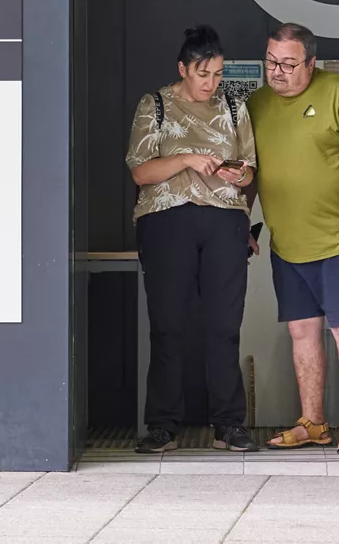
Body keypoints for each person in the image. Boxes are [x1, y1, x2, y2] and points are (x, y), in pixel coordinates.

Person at [246, 23, 339, 454]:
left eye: (288, 64)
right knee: (302, 333)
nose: (277, 72)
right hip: (287, 243)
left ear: (310, 63)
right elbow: (250, 170)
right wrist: (243, 225)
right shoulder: (256, 103)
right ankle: (313, 423)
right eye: (270, 62)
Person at [125, 25, 258, 454]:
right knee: (168, 325)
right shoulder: (156, 105)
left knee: (224, 325)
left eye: (217, 74)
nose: (210, 83)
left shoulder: (235, 105)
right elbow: (140, 172)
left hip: (224, 220)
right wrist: (186, 159)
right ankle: (163, 425)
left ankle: (228, 425)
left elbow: (252, 170)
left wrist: (240, 174)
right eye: (203, 74)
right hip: (167, 220)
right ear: (183, 68)